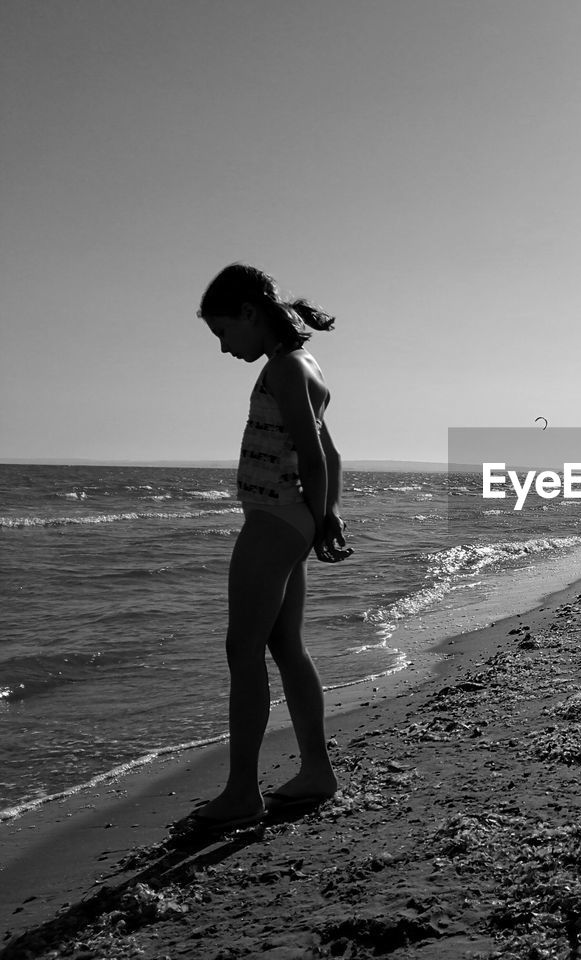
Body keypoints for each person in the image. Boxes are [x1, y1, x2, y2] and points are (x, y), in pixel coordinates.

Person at [186, 263, 350, 832]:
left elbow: (310, 455)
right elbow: (331, 456)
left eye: (224, 333)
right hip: (292, 519)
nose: (225, 348)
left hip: (275, 520)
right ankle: (316, 772)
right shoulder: (305, 366)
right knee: (284, 647)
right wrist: (321, 517)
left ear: (251, 314)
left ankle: (239, 793)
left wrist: (323, 519)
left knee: (242, 650)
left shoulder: (284, 369)